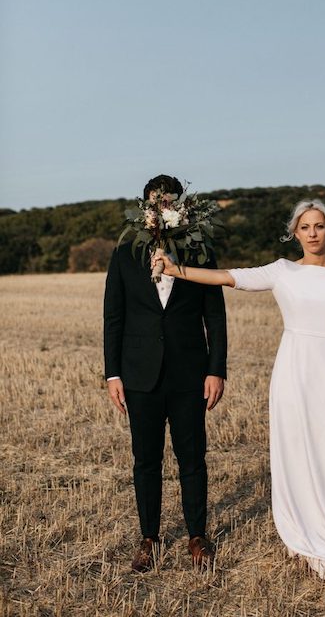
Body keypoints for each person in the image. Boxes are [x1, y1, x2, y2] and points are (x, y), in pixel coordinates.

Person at [152, 199, 325, 582]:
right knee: (294, 451)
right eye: (306, 227)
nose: (313, 233)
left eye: (319, 226)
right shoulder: (282, 271)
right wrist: (176, 270)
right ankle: (300, 530)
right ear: (295, 233)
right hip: (292, 369)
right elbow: (227, 277)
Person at [104, 174, 227, 572]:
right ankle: (149, 538)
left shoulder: (201, 250)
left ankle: (197, 536)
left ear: (181, 205)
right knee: (146, 460)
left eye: (169, 201)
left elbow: (216, 317)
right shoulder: (124, 253)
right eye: (156, 202)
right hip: (139, 375)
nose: (163, 207)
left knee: (193, 458)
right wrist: (113, 375)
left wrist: (216, 370)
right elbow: (114, 317)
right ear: (146, 208)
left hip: (191, 373)